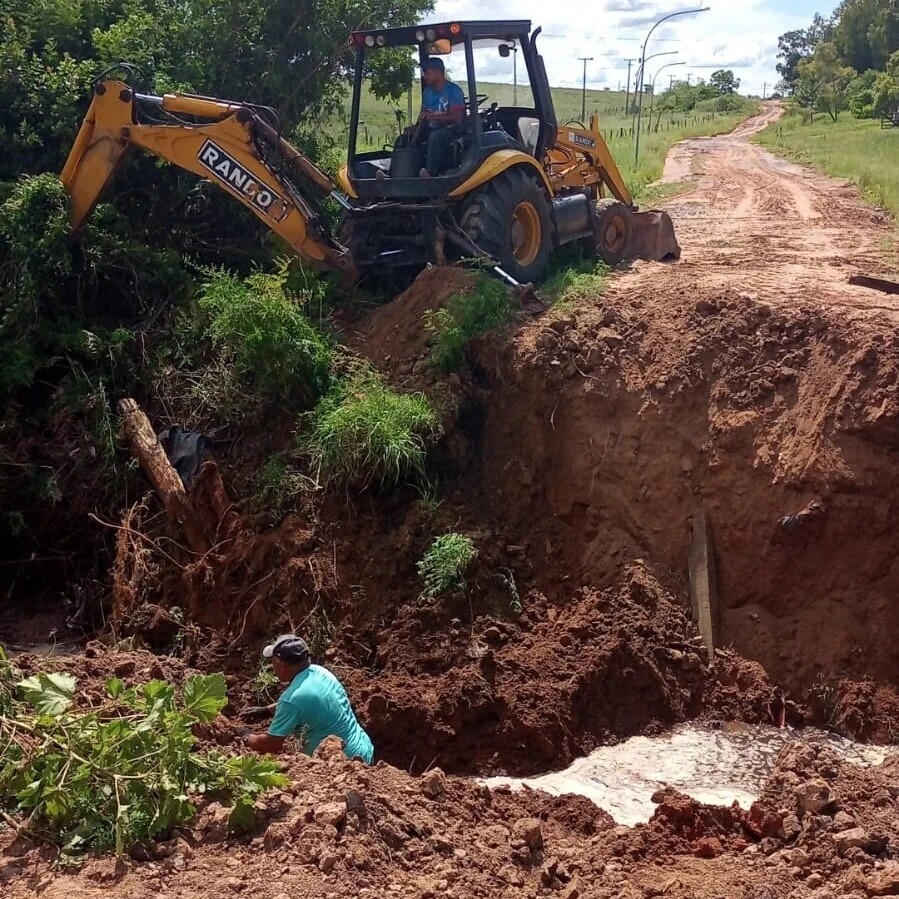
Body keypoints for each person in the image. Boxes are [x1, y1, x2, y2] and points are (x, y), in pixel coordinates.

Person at [243, 634, 374, 764]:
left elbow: (271, 745)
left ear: (281, 664)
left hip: (340, 762)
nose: (273, 667)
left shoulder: (291, 700)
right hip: (363, 750)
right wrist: (265, 711)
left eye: (273, 662)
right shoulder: (321, 672)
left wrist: (245, 737)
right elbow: (305, 704)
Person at [418, 57, 466, 177]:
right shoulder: (427, 92)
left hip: (452, 130)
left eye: (427, 73)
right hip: (431, 128)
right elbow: (423, 114)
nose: (425, 76)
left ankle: (431, 174)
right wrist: (416, 127)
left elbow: (457, 118)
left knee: (435, 137)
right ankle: (396, 174)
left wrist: (434, 117)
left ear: (438, 72)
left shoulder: (454, 91)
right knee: (404, 138)